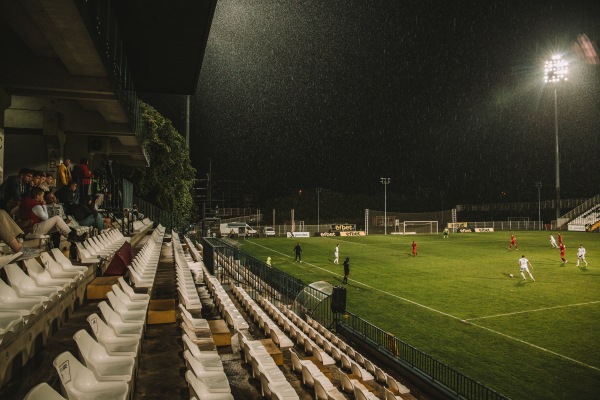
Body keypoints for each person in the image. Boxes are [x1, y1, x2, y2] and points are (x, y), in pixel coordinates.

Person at [18, 186, 86, 242]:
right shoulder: (36, 206)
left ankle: (72, 237)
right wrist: (44, 205)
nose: (43, 198)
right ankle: (72, 236)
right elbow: (46, 218)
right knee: (57, 218)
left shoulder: (27, 202)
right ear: (37, 196)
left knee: (58, 227)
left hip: (32, 227)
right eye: (42, 196)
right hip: (34, 228)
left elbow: (13, 211)